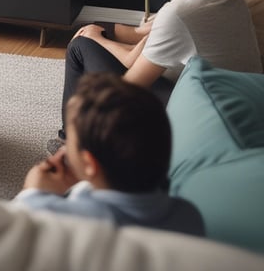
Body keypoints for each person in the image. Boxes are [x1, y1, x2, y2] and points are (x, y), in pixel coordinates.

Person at [55, 0, 261, 144]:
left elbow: (129, 86)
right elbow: (146, 36)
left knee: (81, 46)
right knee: (92, 40)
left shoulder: (180, 12)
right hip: (234, 111)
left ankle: (68, 144)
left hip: (197, 122)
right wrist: (106, 33)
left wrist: (95, 39)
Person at [17, 73, 204, 236]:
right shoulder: (190, 217)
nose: (63, 151)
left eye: (68, 144)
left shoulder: (45, 213)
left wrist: (32, 192)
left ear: (89, 163)